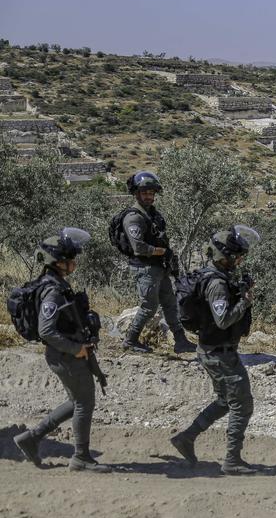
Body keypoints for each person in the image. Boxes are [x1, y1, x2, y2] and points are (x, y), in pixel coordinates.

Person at [14, 228, 112, 473]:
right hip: (66, 356)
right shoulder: (53, 291)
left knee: (76, 401)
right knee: (84, 403)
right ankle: (81, 458)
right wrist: (76, 348)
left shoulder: (56, 283)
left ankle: (31, 438)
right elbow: (46, 330)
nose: (74, 264)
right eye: (70, 260)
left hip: (67, 354)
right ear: (57, 262)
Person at [169, 225, 260, 475]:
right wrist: (245, 302)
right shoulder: (217, 283)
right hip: (219, 354)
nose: (240, 261)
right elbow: (223, 320)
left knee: (224, 401)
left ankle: (186, 438)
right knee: (242, 404)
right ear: (224, 255)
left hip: (215, 350)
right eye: (237, 256)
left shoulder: (218, 276)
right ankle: (232, 460)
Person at [118, 170, 196, 354]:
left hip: (158, 267)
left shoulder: (151, 214)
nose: (149, 196)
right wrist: (162, 251)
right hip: (145, 268)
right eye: (145, 193)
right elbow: (138, 247)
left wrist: (166, 256)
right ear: (136, 193)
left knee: (170, 303)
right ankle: (130, 340)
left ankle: (180, 341)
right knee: (149, 307)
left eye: (151, 193)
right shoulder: (133, 217)